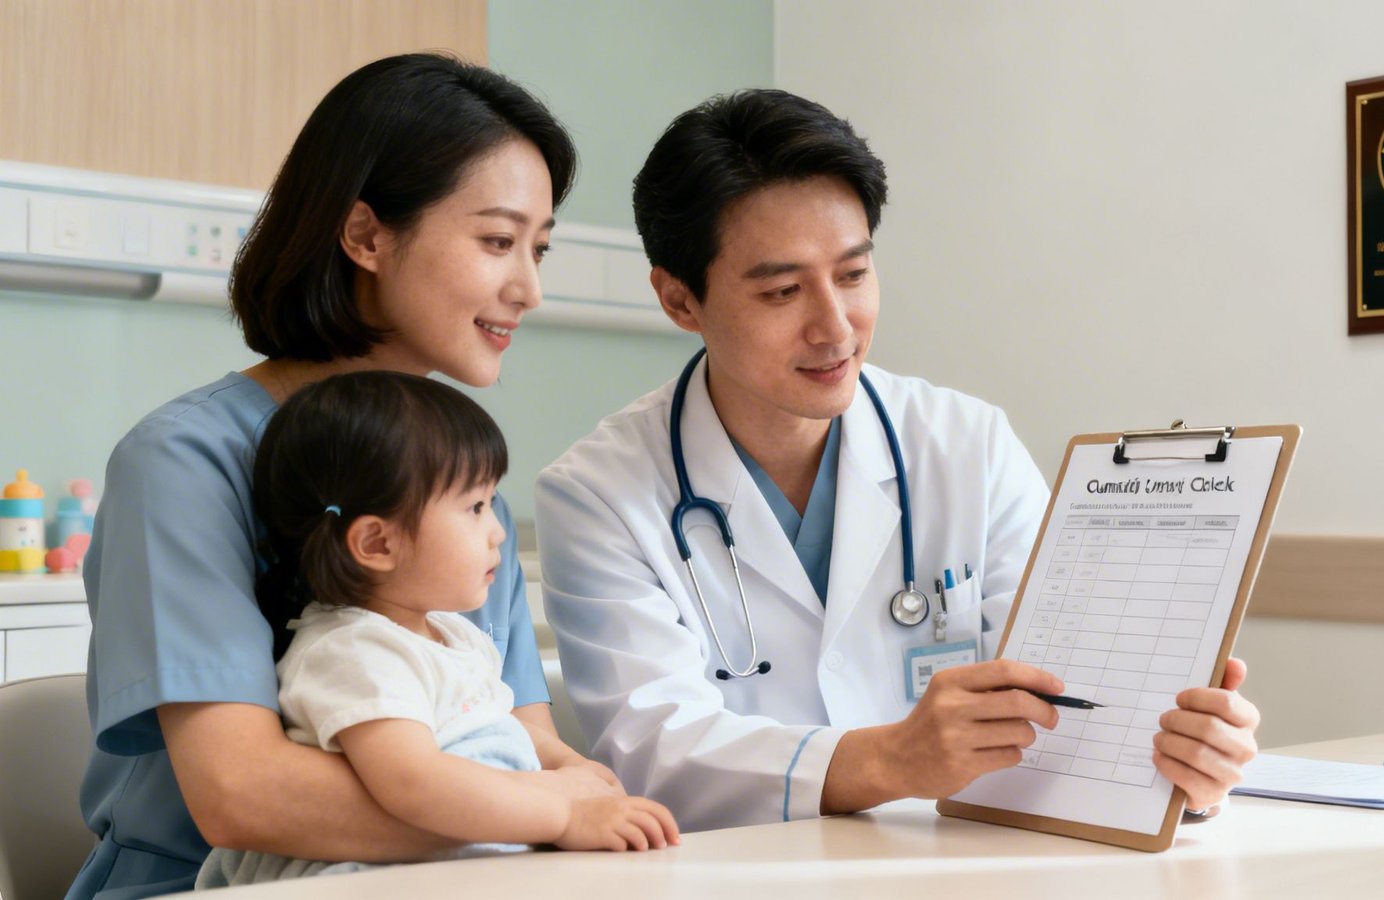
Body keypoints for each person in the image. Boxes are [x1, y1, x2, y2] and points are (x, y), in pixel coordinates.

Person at [533, 89, 1261, 832]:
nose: (835, 326)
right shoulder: (598, 494)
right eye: (783, 291)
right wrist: (889, 759)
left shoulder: (966, 444)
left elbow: (1076, 698)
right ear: (680, 301)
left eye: (852, 275)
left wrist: (1179, 764)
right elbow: (655, 752)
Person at [71, 54, 614, 899]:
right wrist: (542, 815)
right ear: (365, 236)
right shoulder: (185, 461)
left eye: (537, 249)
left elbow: (516, 737)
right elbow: (242, 796)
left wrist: (599, 804)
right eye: (498, 241)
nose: (530, 290)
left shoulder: (460, 493)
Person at [196, 373, 678, 886]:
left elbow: (504, 729)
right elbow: (413, 783)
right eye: (474, 507)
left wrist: (574, 769)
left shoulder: (455, 636)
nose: (497, 531)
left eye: (492, 503)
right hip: (352, 878)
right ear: (377, 544)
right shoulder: (353, 652)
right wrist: (564, 814)